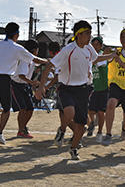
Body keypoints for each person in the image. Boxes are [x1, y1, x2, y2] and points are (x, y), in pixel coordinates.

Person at [35, 20, 115, 160]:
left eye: (90, 33)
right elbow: (49, 66)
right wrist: (42, 86)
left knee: (82, 126)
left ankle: (73, 148)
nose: (90, 36)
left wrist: (111, 56)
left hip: (83, 89)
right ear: (78, 34)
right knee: (69, 112)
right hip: (66, 88)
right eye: (87, 33)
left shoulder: (89, 48)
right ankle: (62, 130)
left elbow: (95, 59)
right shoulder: (68, 49)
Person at [0, 22, 47, 147]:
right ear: (16, 35)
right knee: (6, 109)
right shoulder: (17, 48)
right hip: (4, 78)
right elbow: (35, 59)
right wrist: (49, 62)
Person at [11, 40, 41, 138]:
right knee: (23, 109)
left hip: (24, 85)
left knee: (30, 108)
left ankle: (23, 128)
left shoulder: (31, 59)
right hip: (16, 85)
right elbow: (21, 76)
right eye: (37, 50)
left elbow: (39, 61)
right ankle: (21, 130)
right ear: (34, 50)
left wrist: (50, 63)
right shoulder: (25, 60)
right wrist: (32, 82)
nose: (38, 52)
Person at [87, 37, 108, 143]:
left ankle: (99, 132)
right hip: (93, 88)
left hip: (103, 88)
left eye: (97, 44)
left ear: (100, 46)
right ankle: (91, 124)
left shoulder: (102, 56)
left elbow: (96, 63)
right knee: (90, 110)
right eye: (93, 44)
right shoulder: (90, 56)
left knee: (100, 111)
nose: (95, 47)